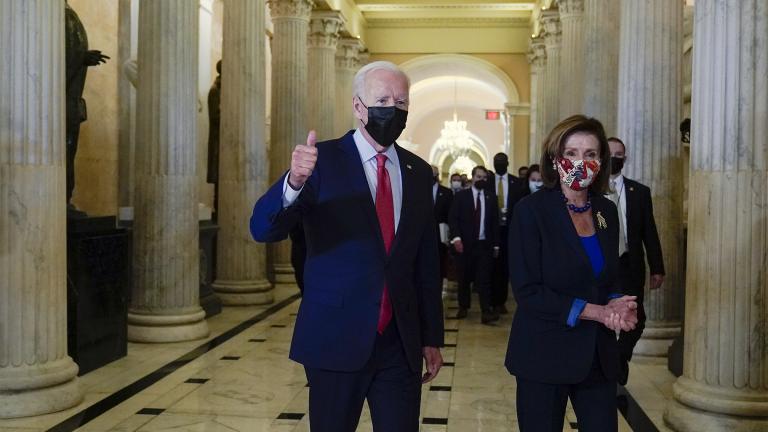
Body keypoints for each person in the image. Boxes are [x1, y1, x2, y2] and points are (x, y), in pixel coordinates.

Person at [250, 61, 444, 432]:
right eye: (383, 98)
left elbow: (425, 263)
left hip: (399, 342)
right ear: (359, 107)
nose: (394, 108)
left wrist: (431, 337)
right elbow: (263, 229)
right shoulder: (320, 162)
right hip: (335, 336)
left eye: (401, 101)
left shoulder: (418, 172)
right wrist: (293, 182)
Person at [505, 115, 639, 431]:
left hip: (598, 356)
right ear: (555, 160)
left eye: (591, 154)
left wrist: (618, 304)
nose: (582, 161)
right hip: (545, 354)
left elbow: (609, 275)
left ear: (602, 161)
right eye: (572, 153)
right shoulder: (531, 211)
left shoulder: (606, 211)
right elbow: (528, 291)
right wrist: (598, 312)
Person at [606, 137, 665, 386]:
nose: (614, 158)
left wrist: (657, 267)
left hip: (630, 264)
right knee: (606, 317)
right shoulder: (590, 190)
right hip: (602, 264)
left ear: (625, 158)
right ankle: (607, 365)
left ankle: (619, 357)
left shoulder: (639, 192)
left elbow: (649, 232)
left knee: (637, 319)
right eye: (610, 154)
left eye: (619, 154)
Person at [449, 166, 500, 324]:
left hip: (484, 245)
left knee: (484, 279)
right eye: (478, 177)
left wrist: (496, 245)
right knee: (464, 277)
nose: (481, 180)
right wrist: (456, 238)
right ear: (473, 177)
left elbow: (494, 223)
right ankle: (463, 306)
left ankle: (486, 311)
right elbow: (454, 218)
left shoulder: (491, 197)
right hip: (465, 244)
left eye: (484, 177)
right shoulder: (461, 196)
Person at [490, 152, 527, 314]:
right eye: (497, 161)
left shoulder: (517, 183)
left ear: (507, 163)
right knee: (490, 267)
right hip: (491, 229)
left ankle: (501, 301)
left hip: (510, 229)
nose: (499, 164)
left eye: (502, 161)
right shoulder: (487, 182)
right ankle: (490, 300)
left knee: (505, 267)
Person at [432, 165, 453, 281]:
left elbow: (450, 214)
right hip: (424, 234)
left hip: (441, 234)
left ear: (437, 176)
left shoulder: (447, 192)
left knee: (440, 263)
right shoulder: (419, 191)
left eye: (433, 175)